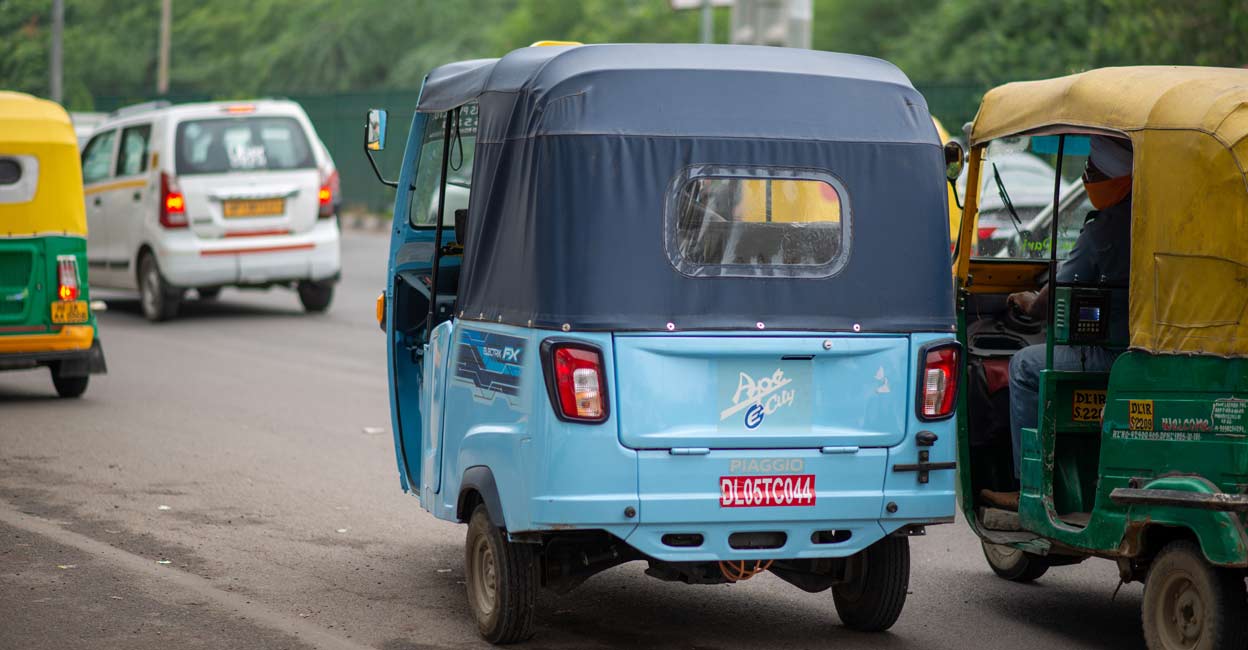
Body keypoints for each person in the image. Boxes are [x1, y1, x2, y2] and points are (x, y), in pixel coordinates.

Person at [981, 135, 1133, 511]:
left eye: (1093, 170)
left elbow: (1065, 281)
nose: (1087, 178)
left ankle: (1029, 487)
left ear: (1115, 176)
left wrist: (1033, 305)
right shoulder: (1159, 220)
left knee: (1024, 364)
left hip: (1113, 357)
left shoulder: (1106, 227)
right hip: (1149, 353)